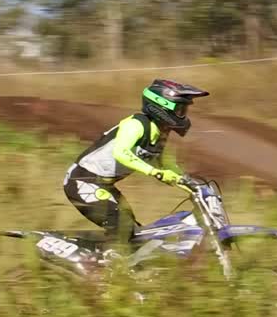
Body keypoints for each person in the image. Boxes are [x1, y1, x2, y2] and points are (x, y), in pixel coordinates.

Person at [62, 79, 208, 243]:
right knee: (122, 227)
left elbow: (168, 166)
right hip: (82, 180)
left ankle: (120, 258)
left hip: (104, 185)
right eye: (181, 109)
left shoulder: (160, 134)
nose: (184, 114)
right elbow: (121, 152)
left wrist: (195, 187)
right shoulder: (136, 124)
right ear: (162, 107)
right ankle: (111, 264)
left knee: (135, 233)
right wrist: (154, 173)